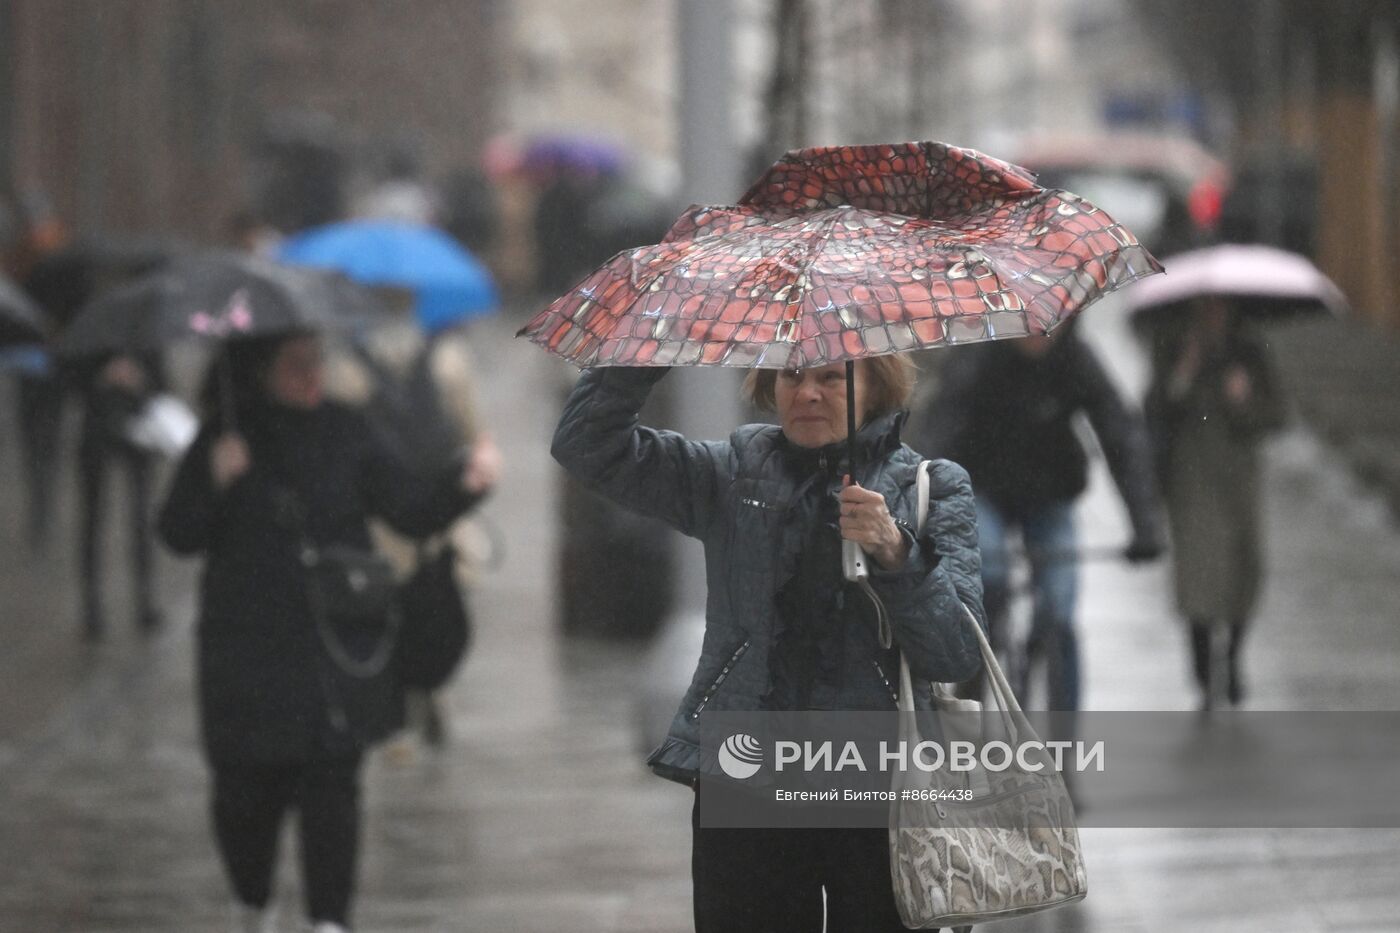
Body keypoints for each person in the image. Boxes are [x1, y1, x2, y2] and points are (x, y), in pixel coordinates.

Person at [552, 358, 984, 932]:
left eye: (831, 378)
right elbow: (587, 444)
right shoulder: (732, 472)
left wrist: (896, 553)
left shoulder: (931, 486)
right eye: (790, 375)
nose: (807, 393)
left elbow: (956, 654)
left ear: (875, 385)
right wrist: (649, 348)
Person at [158, 331, 488, 933]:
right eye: (296, 365)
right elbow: (178, 532)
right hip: (244, 653)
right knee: (243, 796)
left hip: (335, 647)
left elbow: (408, 508)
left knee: (332, 789)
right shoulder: (226, 436)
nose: (312, 375)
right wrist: (213, 475)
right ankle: (253, 903)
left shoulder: (346, 429)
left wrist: (466, 482)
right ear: (261, 371)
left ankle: (330, 921)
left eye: (317, 362)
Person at [909, 326, 1165, 718]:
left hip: (1049, 496)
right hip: (983, 489)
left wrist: (1145, 524)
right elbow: (937, 433)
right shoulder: (977, 358)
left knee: (1060, 613)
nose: (1039, 333)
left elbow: (1119, 433)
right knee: (988, 578)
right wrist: (922, 512)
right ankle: (975, 669)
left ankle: (1066, 741)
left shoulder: (1076, 357)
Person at [1144, 298, 1284, 709]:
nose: (1212, 315)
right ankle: (1205, 673)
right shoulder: (1173, 345)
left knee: (1245, 568)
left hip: (1239, 478)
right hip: (1191, 477)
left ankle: (1233, 658)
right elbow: (1153, 409)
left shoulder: (1250, 351)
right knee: (1198, 575)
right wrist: (1182, 374)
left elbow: (1277, 414)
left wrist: (1243, 399)